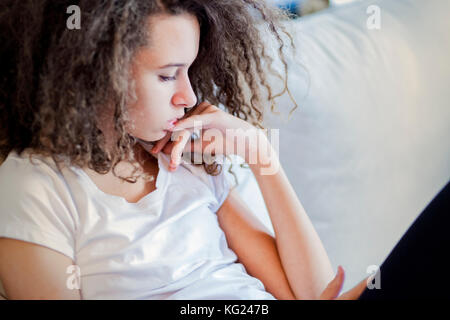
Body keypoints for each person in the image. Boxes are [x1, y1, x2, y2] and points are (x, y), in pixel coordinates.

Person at [0, 0, 430, 301]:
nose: (188, 96)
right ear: (94, 73)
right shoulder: (36, 186)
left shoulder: (189, 165)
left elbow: (313, 292)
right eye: (168, 76)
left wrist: (263, 156)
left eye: (189, 71)